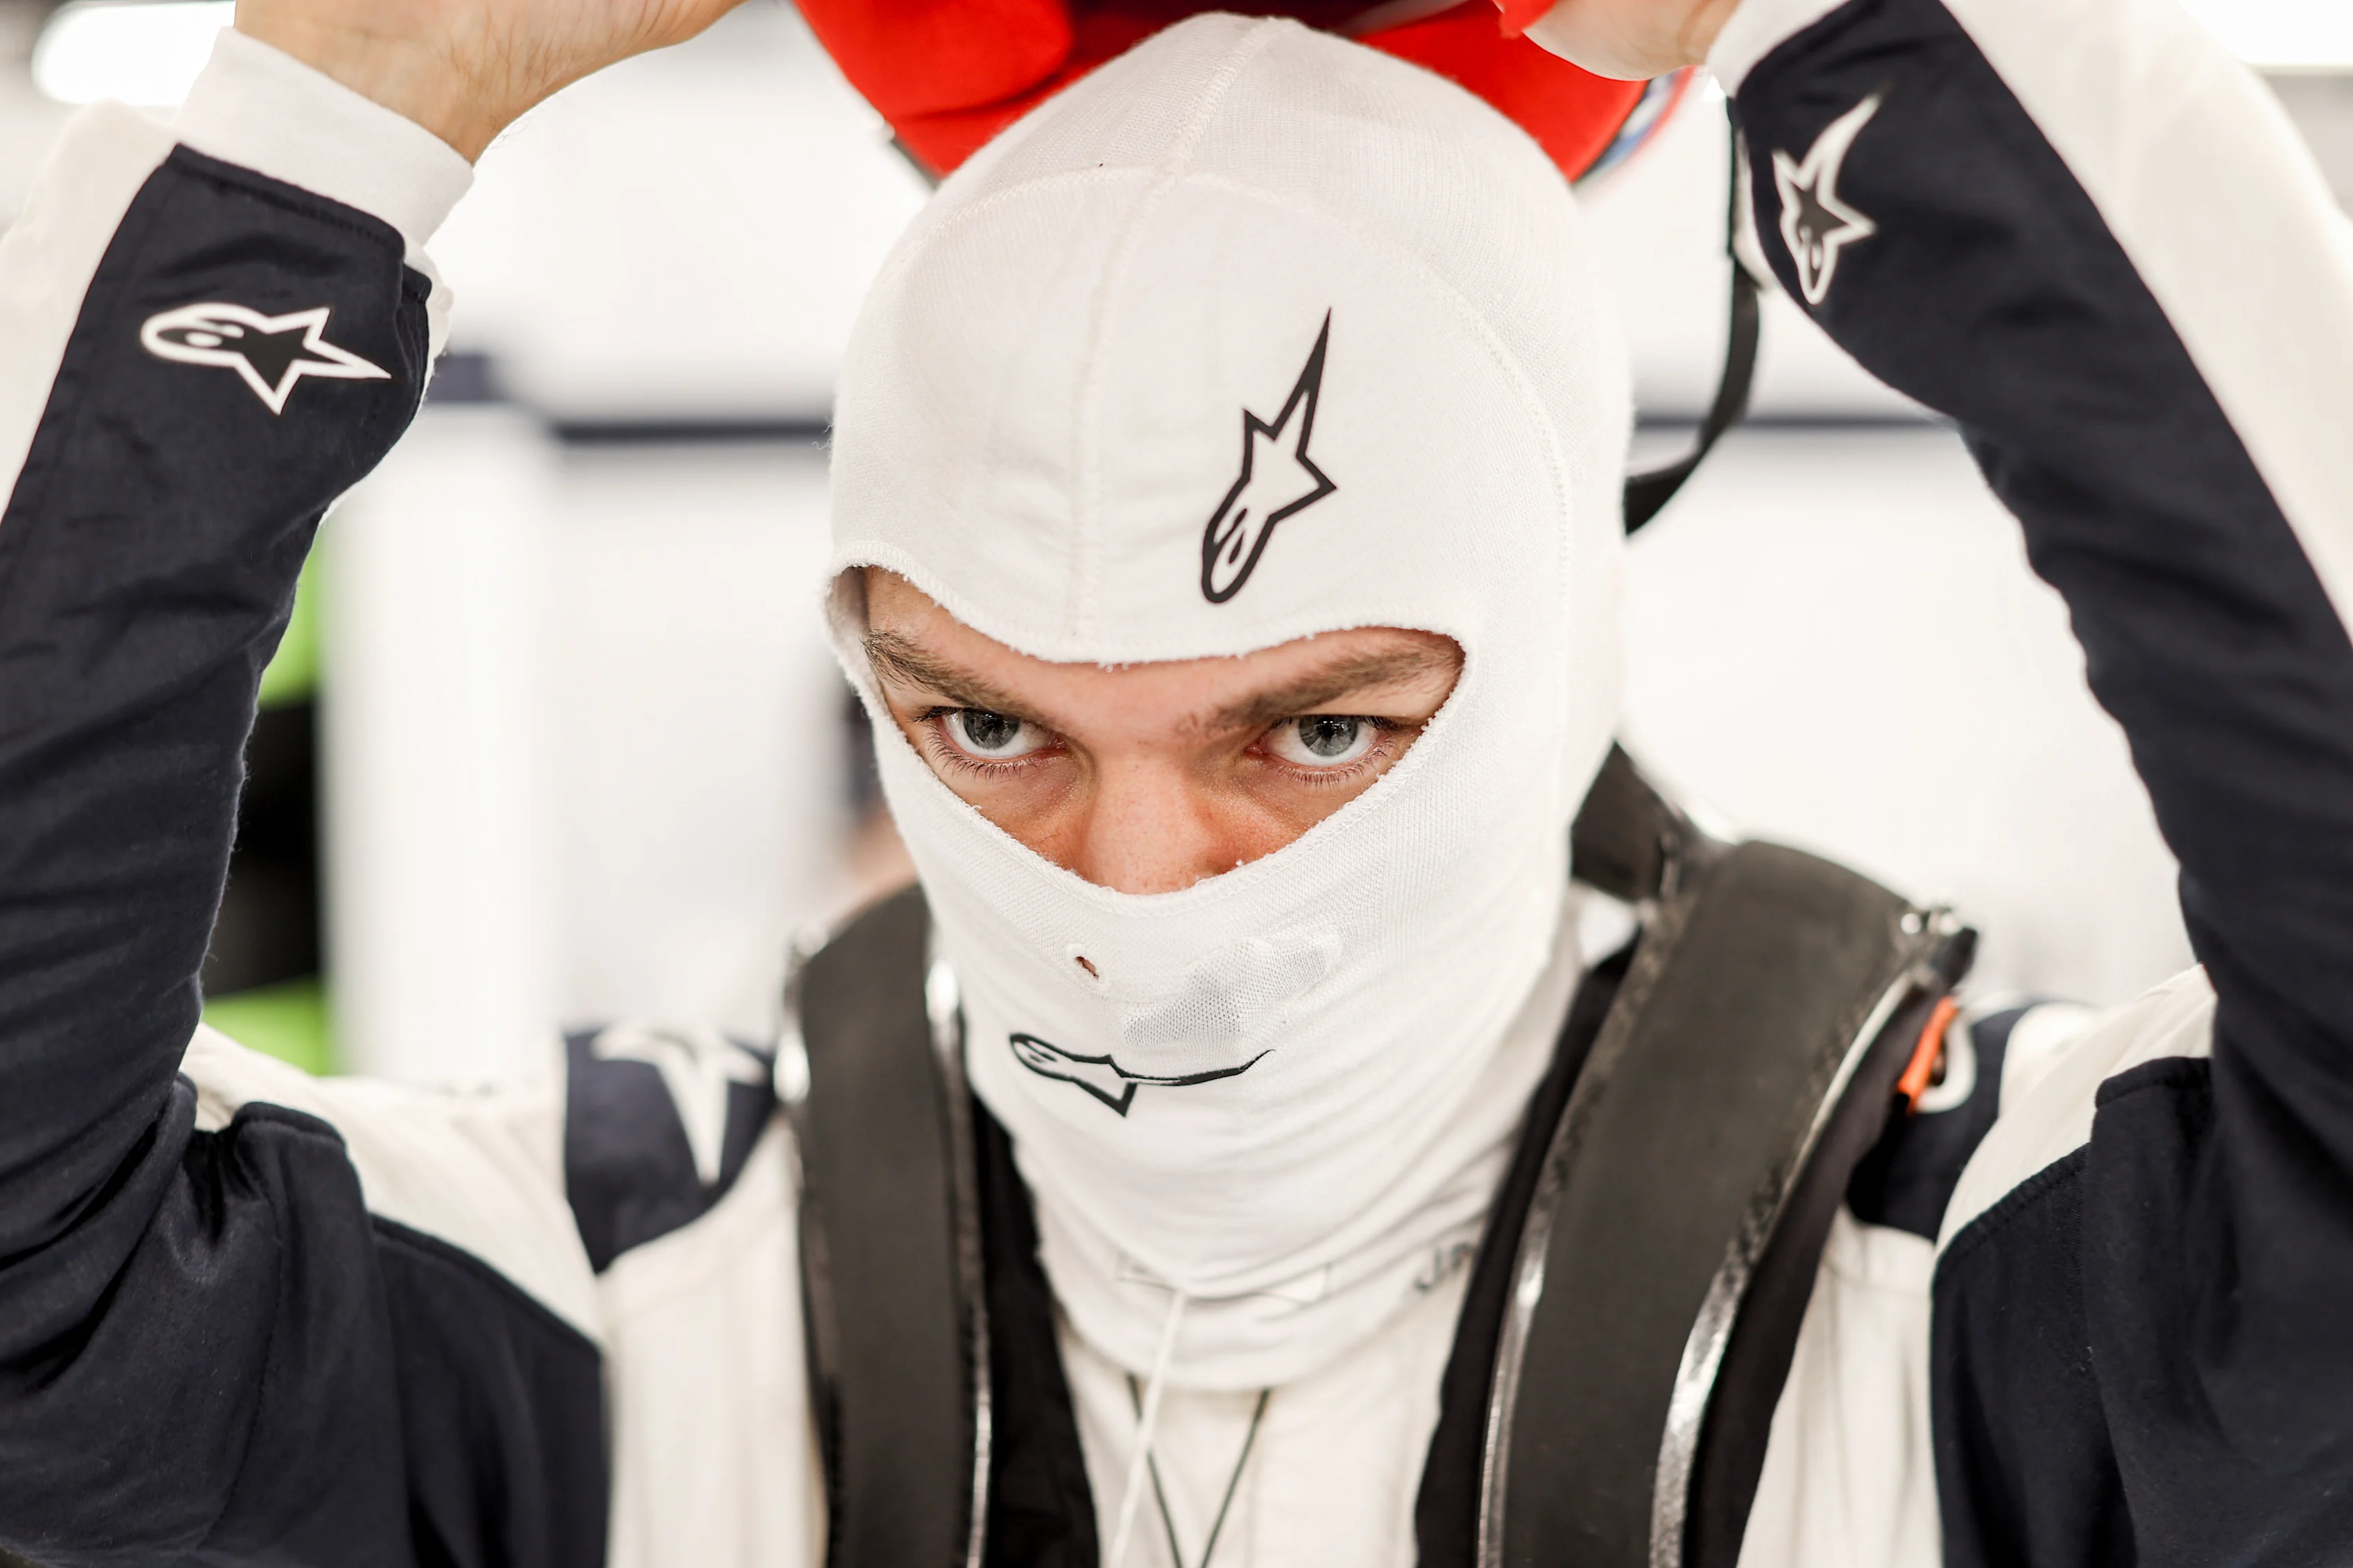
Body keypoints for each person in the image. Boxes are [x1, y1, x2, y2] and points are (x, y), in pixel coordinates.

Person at [0, 0, 2347, 1560]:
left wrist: (1887, 51)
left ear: (1548, 667)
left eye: (1314, 729)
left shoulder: (1965, 1301)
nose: (1138, 893)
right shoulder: (631, 1292)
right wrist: (332, 115)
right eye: (990, 726)